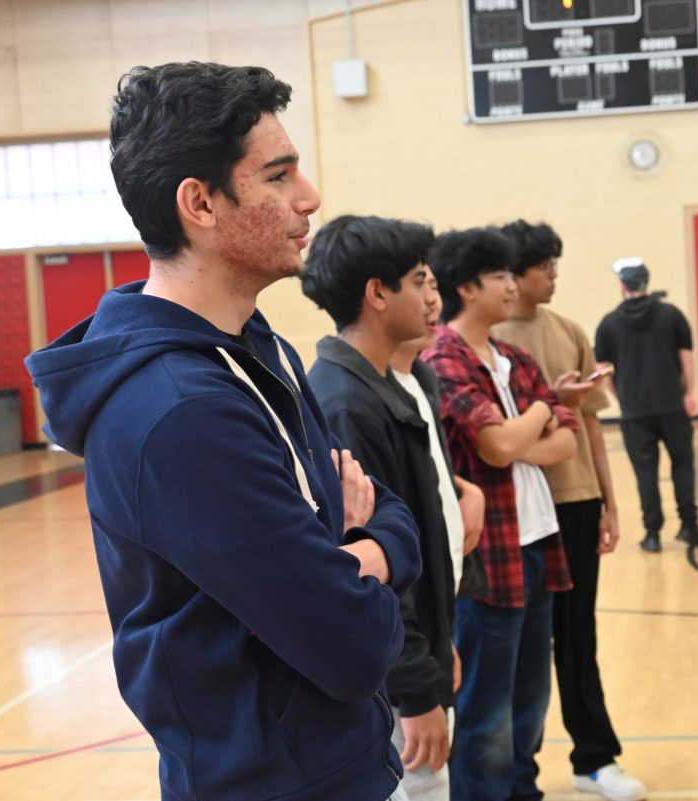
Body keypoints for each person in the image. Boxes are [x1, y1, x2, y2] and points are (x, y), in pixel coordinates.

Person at [24, 63, 421, 801]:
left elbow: (382, 503)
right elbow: (351, 644)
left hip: (343, 763)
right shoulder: (180, 412)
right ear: (200, 204)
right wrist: (374, 550)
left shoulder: (254, 343)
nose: (310, 197)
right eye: (278, 176)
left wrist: (364, 548)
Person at [302, 214, 485, 801]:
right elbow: (368, 565)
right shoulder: (346, 403)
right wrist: (414, 687)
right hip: (389, 684)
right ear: (377, 294)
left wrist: (436, 641)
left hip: (416, 654)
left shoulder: (385, 384)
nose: (433, 296)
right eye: (417, 281)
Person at [493, 221, 648, 801]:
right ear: (515, 274)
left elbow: (591, 424)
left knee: (576, 636)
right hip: (519, 512)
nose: (555, 275)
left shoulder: (570, 330)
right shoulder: (488, 343)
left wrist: (609, 501)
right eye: (547, 267)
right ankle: (510, 770)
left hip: (577, 501)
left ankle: (595, 759)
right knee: (517, 649)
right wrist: (549, 400)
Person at [423, 226, 577, 801]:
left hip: (538, 544)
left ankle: (523, 791)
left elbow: (566, 442)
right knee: (487, 703)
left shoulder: (514, 355)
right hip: (491, 555)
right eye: (500, 277)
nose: (513, 287)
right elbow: (498, 448)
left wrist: (523, 430)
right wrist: (541, 410)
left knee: (532, 697)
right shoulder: (443, 357)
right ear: (467, 286)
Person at [594, 258, 698, 553]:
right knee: (683, 466)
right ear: (647, 282)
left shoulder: (608, 323)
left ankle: (653, 534)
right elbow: (686, 358)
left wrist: (621, 396)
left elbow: (603, 367)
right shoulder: (671, 315)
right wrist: (688, 393)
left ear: (622, 286)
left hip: (635, 412)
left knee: (645, 473)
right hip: (672, 407)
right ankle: (689, 527)